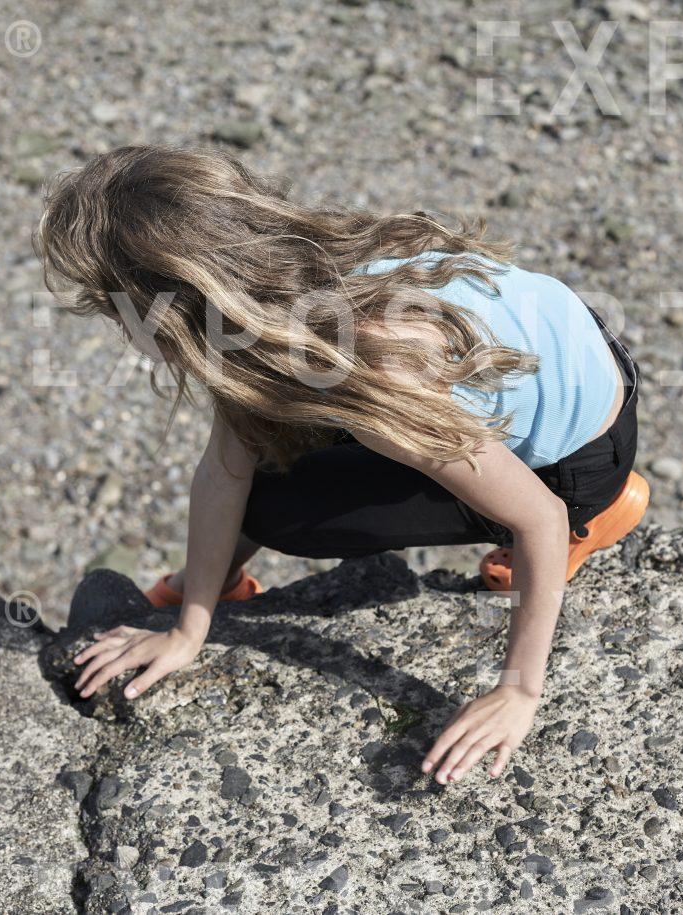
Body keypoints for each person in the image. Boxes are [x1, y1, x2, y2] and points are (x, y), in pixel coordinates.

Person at [34, 145, 647, 784]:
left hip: (575, 467)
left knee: (283, 509)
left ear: (173, 316)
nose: (117, 328)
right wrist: (192, 625)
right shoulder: (289, 280)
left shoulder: (370, 367)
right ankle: (217, 580)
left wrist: (518, 692)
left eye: (116, 311)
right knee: (268, 431)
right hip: (585, 357)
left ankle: (596, 517)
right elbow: (225, 467)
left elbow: (539, 518)